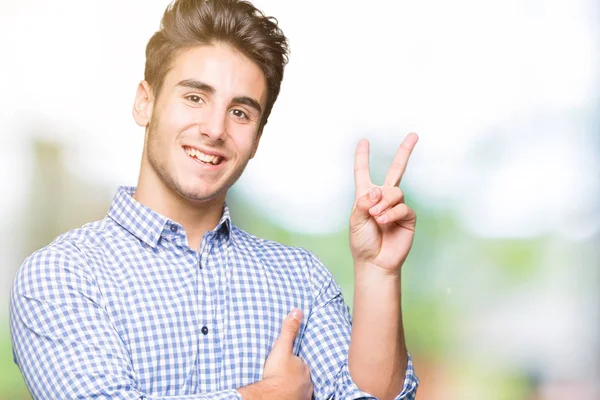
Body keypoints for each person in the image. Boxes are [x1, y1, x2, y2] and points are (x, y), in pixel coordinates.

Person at [9, 0, 420, 399]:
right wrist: (268, 396)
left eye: (240, 112)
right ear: (144, 102)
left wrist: (377, 273)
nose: (214, 129)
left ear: (257, 137)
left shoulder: (302, 280)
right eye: (194, 97)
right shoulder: (62, 274)